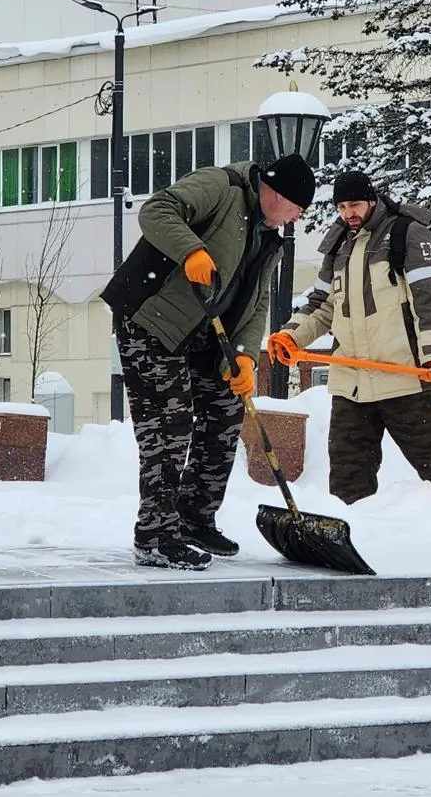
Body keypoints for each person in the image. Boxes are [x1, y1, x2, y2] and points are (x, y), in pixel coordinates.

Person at [102, 153, 315, 569]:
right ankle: (155, 535)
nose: (296, 218)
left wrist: (245, 356)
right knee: (169, 424)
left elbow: (258, 302)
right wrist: (191, 250)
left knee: (225, 410)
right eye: (296, 207)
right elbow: (157, 210)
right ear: (273, 192)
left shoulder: (269, 236)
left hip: (205, 334)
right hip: (152, 319)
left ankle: (193, 518)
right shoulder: (222, 186)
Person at [268, 170, 431, 505]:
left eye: (355, 204)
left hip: (401, 374)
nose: (349, 213)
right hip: (352, 380)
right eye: (342, 206)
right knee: (348, 473)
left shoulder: (406, 232)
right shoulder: (338, 246)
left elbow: (430, 298)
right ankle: (353, 529)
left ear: (372, 200)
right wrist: (292, 336)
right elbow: (322, 306)